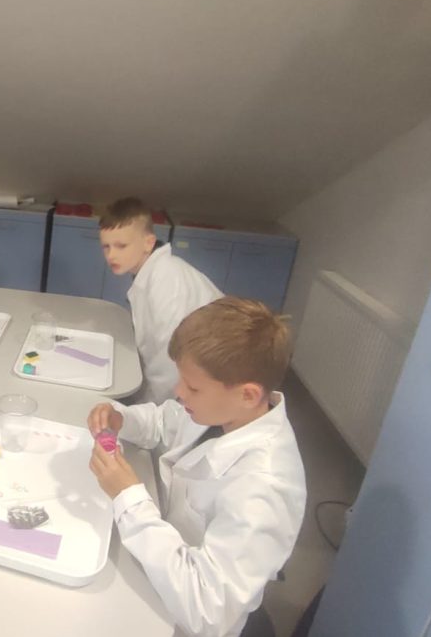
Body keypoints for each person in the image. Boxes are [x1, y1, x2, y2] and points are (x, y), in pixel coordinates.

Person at [87, 297, 306, 637]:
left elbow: (206, 610)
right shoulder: (226, 411)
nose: (179, 391)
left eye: (192, 387)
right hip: (162, 566)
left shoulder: (263, 488)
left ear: (248, 394)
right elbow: (165, 421)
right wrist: (123, 419)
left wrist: (128, 498)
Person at [99, 197, 222, 404]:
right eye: (106, 247)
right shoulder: (150, 272)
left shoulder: (168, 279)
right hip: (189, 376)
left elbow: (169, 363)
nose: (111, 255)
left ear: (148, 243)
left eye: (121, 246)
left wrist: (144, 408)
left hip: (210, 378)